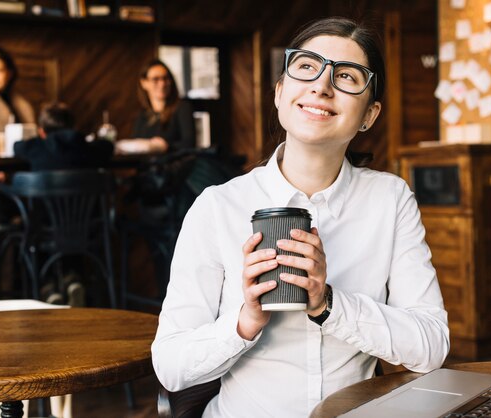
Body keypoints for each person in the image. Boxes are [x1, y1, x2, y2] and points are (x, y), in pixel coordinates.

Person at [152, 17, 450, 417]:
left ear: (369, 115)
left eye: (347, 76)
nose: (322, 86)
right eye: (307, 66)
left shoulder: (390, 199)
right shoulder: (217, 206)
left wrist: (329, 305)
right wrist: (244, 321)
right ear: (280, 93)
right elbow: (170, 367)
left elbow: (431, 347)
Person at [121, 59, 196, 153]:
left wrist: (166, 146)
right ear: (144, 83)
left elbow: (189, 143)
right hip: (147, 166)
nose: (162, 84)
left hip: (174, 165)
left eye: (166, 78)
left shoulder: (182, 107)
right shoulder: (143, 114)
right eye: (155, 79)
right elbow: (136, 143)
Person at [14, 102, 114, 171]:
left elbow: (16, 146)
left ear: (41, 132)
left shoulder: (34, 148)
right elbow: (108, 145)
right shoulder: (88, 149)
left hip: (42, 202)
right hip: (84, 201)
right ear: (74, 127)